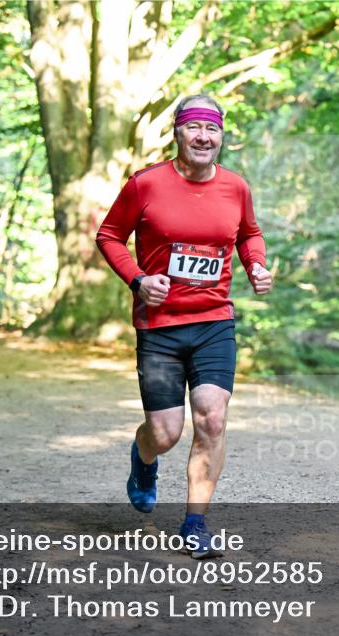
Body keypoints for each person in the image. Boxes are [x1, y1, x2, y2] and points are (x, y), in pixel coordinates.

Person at [96, 94, 273, 559]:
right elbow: (109, 235)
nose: (203, 137)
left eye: (212, 129)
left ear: (221, 136)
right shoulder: (146, 184)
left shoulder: (236, 188)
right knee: (167, 432)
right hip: (160, 326)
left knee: (212, 419)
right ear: (177, 131)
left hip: (214, 321)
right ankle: (144, 456)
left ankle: (195, 523)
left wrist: (255, 265)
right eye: (194, 128)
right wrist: (137, 279)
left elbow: (249, 234)